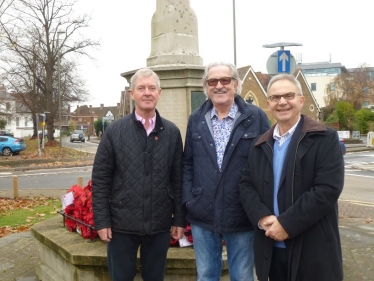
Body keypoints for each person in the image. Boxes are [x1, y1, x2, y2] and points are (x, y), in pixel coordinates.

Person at [239, 73, 344, 281]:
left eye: (289, 95)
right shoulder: (260, 144)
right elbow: (246, 184)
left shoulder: (324, 138)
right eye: (276, 97)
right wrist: (262, 217)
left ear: (301, 100)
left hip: (312, 249)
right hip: (271, 248)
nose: (282, 102)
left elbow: (327, 190)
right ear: (268, 103)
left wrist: (287, 224)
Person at [92, 68, 185, 281]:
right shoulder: (115, 131)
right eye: (141, 88)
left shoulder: (171, 132)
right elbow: (101, 179)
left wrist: (179, 219)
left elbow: (178, 178)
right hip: (121, 225)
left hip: (159, 225)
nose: (147, 93)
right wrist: (102, 220)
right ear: (131, 93)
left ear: (159, 93)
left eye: (152, 88)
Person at [182, 62, 270, 281]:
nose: (219, 86)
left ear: (235, 85)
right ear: (206, 86)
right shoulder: (196, 119)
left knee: (242, 276)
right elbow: (187, 164)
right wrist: (189, 201)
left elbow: (267, 163)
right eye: (213, 81)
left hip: (241, 213)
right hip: (203, 215)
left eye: (225, 80)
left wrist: (261, 205)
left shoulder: (256, 118)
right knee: (206, 275)